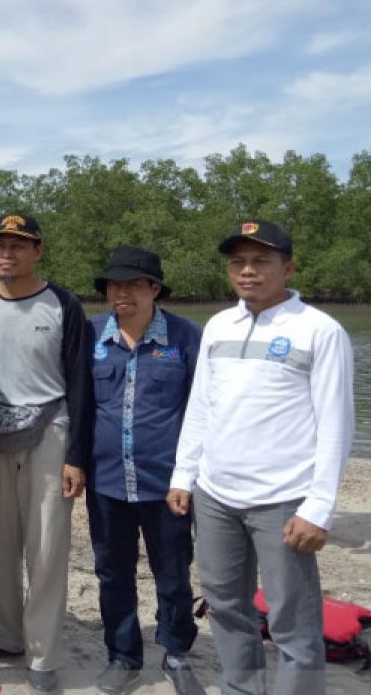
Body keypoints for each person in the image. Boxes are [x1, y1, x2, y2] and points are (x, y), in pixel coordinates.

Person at [168, 220, 354, 695]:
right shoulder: (219, 325)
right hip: (215, 495)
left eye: (260, 261)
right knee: (227, 607)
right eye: (238, 262)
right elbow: (202, 405)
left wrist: (318, 507)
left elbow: (337, 424)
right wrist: (183, 475)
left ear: (287, 268)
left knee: (293, 620)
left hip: (283, 499)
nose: (247, 271)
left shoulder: (320, 331)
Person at [0, 214, 93, 694]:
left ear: (38, 250)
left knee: (47, 547)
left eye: (19, 245)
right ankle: (6, 634)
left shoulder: (63, 304)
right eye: (0, 244)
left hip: (50, 432)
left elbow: (80, 382)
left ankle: (42, 654)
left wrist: (77, 456)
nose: (7, 253)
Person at [87, 246, 204, 695]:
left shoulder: (186, 338)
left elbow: (201, 409)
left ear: (154, 289)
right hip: (106, 480)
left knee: (172, 571)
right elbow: (79, 407)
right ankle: (123, 655)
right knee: (112, 572)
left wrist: (190, 478)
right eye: (114, 285)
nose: (122, 293)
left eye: (133, 285)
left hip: (168, 484)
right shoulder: (91, 334)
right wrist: (74, 462)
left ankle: (176, 651)